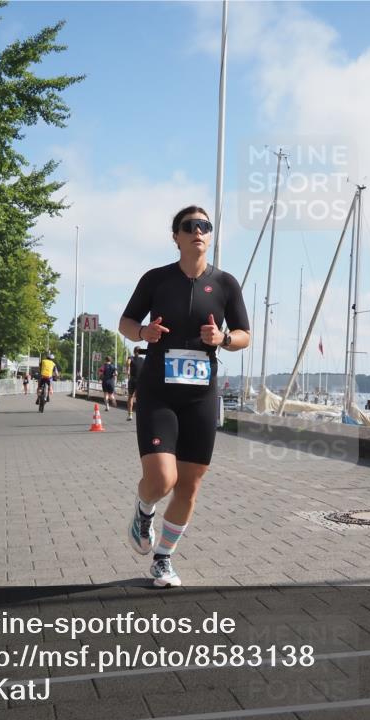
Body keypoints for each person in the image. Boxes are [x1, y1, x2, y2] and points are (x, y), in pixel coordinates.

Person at [119, 205, 250, 587]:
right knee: (162, 479)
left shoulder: (225, 284)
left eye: (204, 226)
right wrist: (143, 333)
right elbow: (126, 322)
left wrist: (223, 338)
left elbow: (244, 335)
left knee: (189, 485)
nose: (198, 231)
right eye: (190, 226)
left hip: (200, 397)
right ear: (176, 236)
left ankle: (163, 559)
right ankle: (144, 511)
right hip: (159, 392)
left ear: (210, 235)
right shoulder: (156, 279)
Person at [125, 346, 144, 422]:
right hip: (140, 380)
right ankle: (141, 414)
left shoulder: (131, 358)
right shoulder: (142, 359)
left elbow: (128, 362)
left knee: (130, 397)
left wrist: (128, 370)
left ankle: (130, 414)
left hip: (132, 379)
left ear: (134, 351)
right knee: (139, 397)